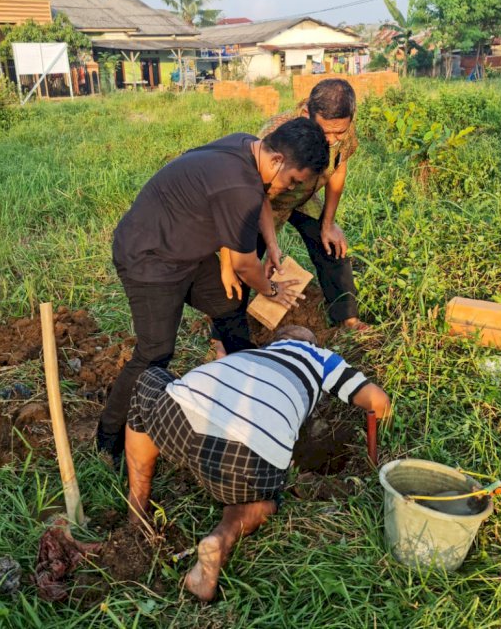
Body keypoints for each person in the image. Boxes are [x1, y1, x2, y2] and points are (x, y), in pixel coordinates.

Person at [96, 119, 330, 464]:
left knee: (229, 302)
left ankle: (243, 390)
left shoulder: (249, 147)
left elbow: (264, 199)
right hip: (149, 258)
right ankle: (108, 440)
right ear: (278, 159)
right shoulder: (238, 185)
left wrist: (273, 243)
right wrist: (273, 290)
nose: (290, 188)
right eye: (293, 180)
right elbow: (244, 266)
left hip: (184, 252)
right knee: (154, 353)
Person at [123, 324, 392, 601]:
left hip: (178, 416)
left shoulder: (250, 355)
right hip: (248, 458)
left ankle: (137, 510)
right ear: (313, 342)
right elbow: (379, 403)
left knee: (149, 382)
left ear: (276, 341)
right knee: (262, 502)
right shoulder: (323, 359)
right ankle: (221, 538)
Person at [214, 79, 365, 357]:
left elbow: (339, 170)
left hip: (305, 197)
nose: (331, 139)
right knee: (242, 262)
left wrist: (329, 223)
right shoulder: (277, 133)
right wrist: (263, 247)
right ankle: (222, 340)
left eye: (339, 132)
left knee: (333, 248)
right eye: (326, 131)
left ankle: (348, 319)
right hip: (264, 201)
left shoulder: (343, 131)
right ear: (307, 112)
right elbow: (248, 195)